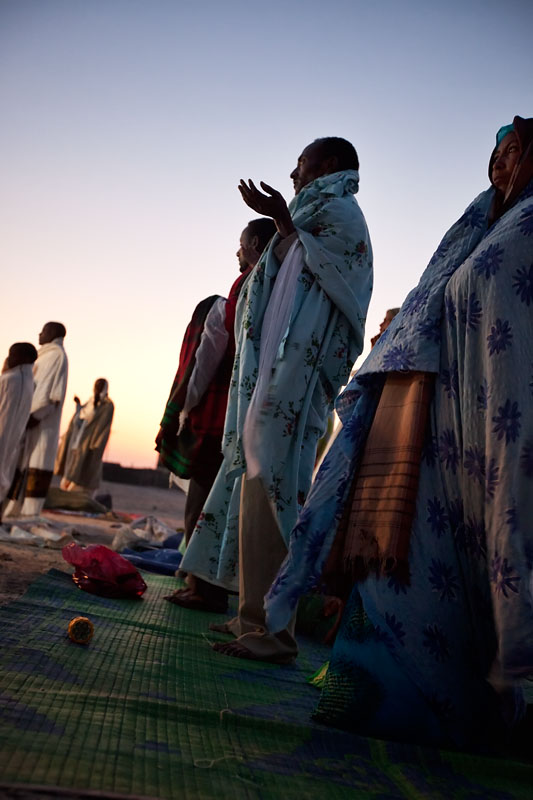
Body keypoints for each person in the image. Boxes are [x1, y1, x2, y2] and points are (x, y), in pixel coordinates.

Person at [265, 117, 533, 748]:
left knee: (478, 570)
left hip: (493, 437)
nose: (500, 167)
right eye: (494, 156)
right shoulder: (478, 226)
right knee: (400, 566)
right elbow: (439, 294)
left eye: (514, 153)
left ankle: (466, 709)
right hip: (431, 428)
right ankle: (371, 691)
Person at [181, 136, 373, 663]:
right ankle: (253, 619)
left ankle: (277, 632)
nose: (293, 173)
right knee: (254, 484)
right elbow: (294, 269)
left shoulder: (342, 215)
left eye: (302, 163)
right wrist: (287, 226)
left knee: (277, 491)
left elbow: (340, 282)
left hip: (298, 375)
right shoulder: (311, 215)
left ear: (330, 165)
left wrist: (286, 223)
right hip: (272, 375)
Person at [157, 218, 276, 613]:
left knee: (202, 502)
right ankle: (210, 583)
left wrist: (183, 409)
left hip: (217, 419)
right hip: (252, 420)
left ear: (255, 244)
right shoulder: (276, 291)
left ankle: (200, 587)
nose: (237, 252)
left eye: (241, 245)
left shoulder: (229, 301)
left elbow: (202, 363)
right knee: (224, 505)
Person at [5, 322, 68, 517]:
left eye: (44, 331)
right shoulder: (44, 355)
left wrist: (37, 414)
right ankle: (13, 509)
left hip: (42, 422)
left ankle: (29, 512)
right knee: (20, 464)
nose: (39, 334)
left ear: (53, 333)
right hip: (27, 418)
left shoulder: (57, 356)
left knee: (36, 465)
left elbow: (51, 394)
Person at [55, 379, 114, 494]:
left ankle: (80, 491)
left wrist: (97, 443)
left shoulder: (108, 405)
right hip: (78, 438)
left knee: (86, 466)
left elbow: (103, 426)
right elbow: (82, 414)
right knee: (72, 465)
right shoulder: (90, 401)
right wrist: (78, 405)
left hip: (89, 441)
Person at [0, 343, 38, 514]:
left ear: (25, 358)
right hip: (13, 440)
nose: (9, 359)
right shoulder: (30, 383)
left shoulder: (10, 379)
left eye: (12, 355)